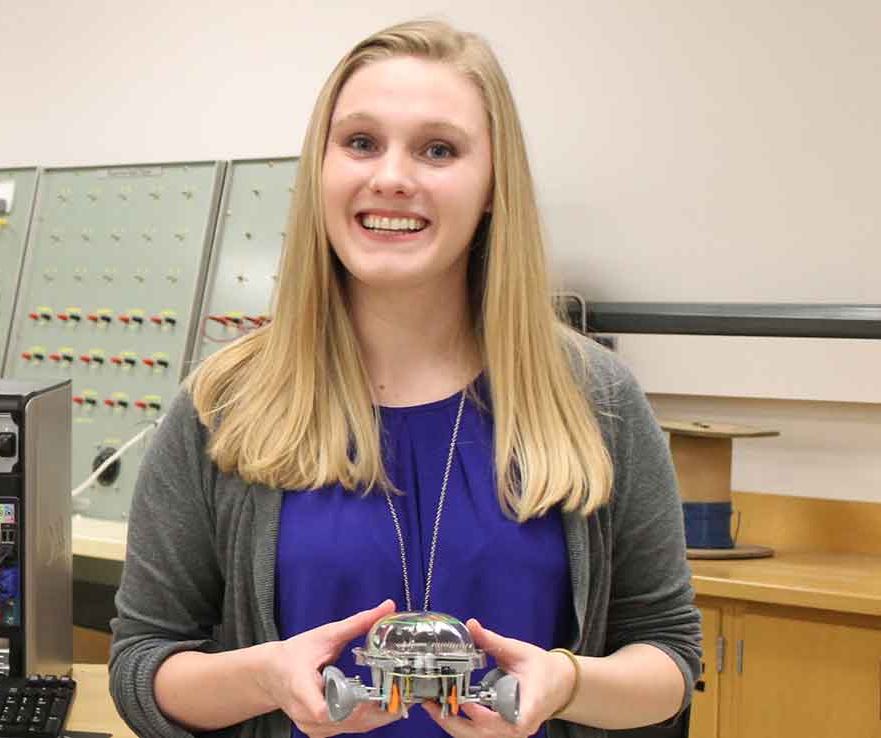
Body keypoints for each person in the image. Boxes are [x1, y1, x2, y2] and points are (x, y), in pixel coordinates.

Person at [108, 19, 702, 738]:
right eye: (361, 142)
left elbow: (669, 657)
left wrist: (568, 683)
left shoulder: (597, 399)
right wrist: (263, 678)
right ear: (320, 169)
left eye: (438, 149)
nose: (391, 177)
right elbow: (143, 664)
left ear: (493, 186)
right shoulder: (224, 404)